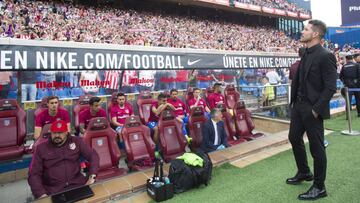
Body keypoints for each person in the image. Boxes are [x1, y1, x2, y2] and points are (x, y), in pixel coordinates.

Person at [287, 20, 337, 200]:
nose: (302, 31)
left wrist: (316, 109)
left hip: (312, 109)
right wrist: (295, 103)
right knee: (293, 137)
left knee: (317, 148)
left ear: (315, 34)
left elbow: (331, 87)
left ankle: (319, 186)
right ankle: (304, 172)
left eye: (306, 29)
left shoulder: (325, 55)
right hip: (299, 106)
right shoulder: (306, 53)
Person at [28, 120, 100, 199]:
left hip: (78, 185)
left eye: (60, 132)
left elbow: (93, 155)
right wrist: (41, 194)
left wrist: (92, 177)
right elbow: (33, 174)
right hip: (53, 191)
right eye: (54, 132)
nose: (57, 135)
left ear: (66, 132)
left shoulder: (77, 141)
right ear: (50, 132)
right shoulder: (41, 148)